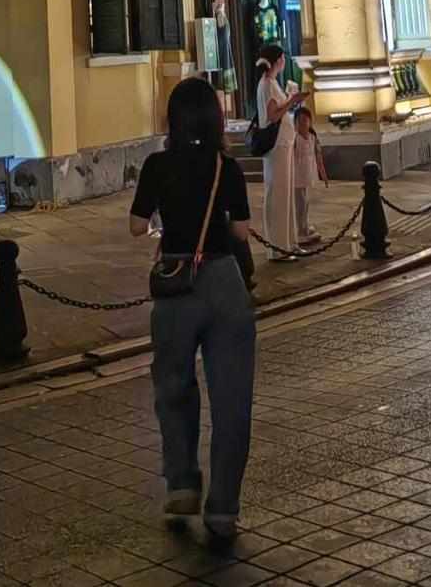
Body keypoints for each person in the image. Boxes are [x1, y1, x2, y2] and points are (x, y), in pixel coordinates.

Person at [129, 77, 255, 540]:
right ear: (215, 119)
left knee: (173, 387)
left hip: (176, 284)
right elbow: (241, 231)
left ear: (173, 119)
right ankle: (222, 508)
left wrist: (168, 222)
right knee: (232, 399)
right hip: (223, 281)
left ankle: (182, 481)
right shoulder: (227, 167)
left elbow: (136, 226)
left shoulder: (157, 165)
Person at [255, 44, 299, 258]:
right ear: (276, 61)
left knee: (285, 194)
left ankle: (288, 242)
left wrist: (290, 98)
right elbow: (273, 115)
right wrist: (292, 102)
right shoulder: (267, 84)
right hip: (277, 145)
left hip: (284, 143)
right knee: (278, 195)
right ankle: (279, 247)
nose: (284, 60)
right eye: (281, 57)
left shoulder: (272, 83)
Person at [292, 106, 326, 244]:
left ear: (310, 122)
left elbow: (318, 156)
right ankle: (301, 229)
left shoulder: (312, 138)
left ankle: (305, 224)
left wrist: (323, 173)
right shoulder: (295, 139)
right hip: (297, 175)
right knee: (300, 202)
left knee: (305, 201)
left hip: (307, 173)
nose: (302, 124)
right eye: (299, 121)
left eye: (305, 120)